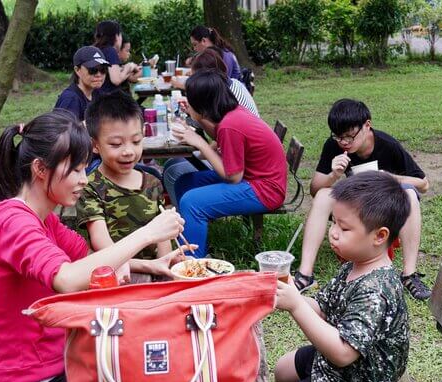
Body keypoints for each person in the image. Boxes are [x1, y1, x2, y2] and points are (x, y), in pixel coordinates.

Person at [0, 110, 187, 382]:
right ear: (41, 169)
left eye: (85, 168)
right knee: (156, 376)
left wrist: (149, 263)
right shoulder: (13, 222)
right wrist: (147, 233)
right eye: (76, 170)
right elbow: (67, 279)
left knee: (154, 354)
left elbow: (90, 260)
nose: (84, 179)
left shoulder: (43, 219)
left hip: (48, 367)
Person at [274, 171, 410, 382]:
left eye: (344, 227)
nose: (333, 233)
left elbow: (343, 352)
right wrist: (290, 291)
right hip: (337, 366)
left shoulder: (376, 290)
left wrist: (295, 305)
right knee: (283, 369)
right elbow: (323, 308)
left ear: (379, 236)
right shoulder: (354, 264)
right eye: (333, 222)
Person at [294, 99, 431, 300]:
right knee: (324, 195)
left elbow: (423, 184)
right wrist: (333, 174)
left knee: (409, 194)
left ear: (367, 125)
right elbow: (315, 190)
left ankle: (409, 274)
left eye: (350, 137)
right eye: (339, 137)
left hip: (385, 207)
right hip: (355, 205)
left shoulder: (387, 145)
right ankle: (305, 274)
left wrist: (392, 178)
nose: (344, 143)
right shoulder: (334, 146)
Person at [171, 71, 286, 257]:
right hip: (253, 178)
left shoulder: (231, 125)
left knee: (191, 202)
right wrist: (196, 117)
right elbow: (218, 139)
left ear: (203, 104)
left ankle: (192, 261)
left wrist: (199, 142)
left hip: (265, 190)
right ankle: (194, 239)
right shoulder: (232, 114)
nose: (187, 102)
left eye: (190, 100)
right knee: (184, 183)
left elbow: (233, 177)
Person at [77, 91, 180, 278]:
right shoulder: (90, 187)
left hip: (155, 271)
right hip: (115, 275)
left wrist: (167, 265)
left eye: (136, 141)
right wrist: (151, 266)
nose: (128, 151)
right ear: (94, 145)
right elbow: (104, 249)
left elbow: (163, 237)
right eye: (116, 144)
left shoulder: (152, 182)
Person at [163, 48, 260, 206]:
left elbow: (234, 175)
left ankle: (187, 218)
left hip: (251, 176)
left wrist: (200, 135)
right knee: (177, 172)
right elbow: (222, 137)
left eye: (195, 77)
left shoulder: (229, 108)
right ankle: (189, 220)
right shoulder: (227, 91)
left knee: (176, 175)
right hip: (242, 162)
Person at [54, 46, 109, 122]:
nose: (98, 74)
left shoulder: (98, 94)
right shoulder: (71, 99)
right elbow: (64, 131)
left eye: (103, 69)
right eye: (93, 70)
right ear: (77, 70)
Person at [93, 20, 140, 94]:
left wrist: (128, 69)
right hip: (108, 99)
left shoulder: (95, 49)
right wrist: (128, 67)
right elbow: (116, 80)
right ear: (116, 36)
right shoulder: (110, 51)